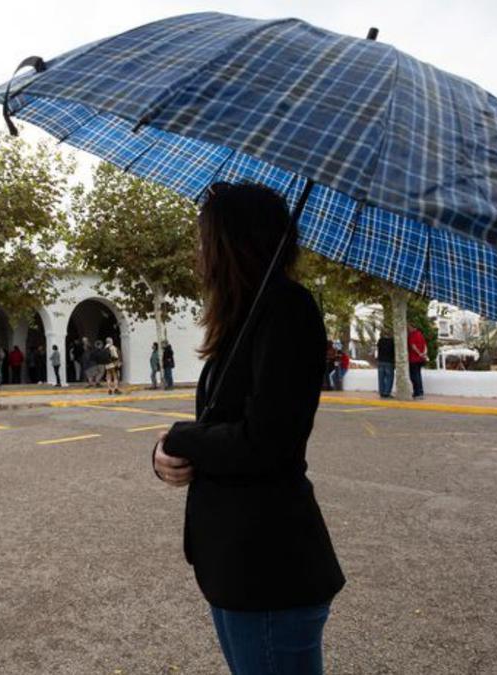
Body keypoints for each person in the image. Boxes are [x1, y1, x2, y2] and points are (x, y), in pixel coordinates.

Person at [151, 182, 344, 673]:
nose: (197, 252)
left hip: (269, 569)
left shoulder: (287, 310)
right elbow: (221, 425)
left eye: (203, 239)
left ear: (231, 242)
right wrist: (167, 456)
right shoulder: (245, 317)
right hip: (236, 563)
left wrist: (180, 437)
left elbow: (267, 443)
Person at [408, 323, 427, 399]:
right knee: (418, 375)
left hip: (413, 359)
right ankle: (421, 392)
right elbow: (425, 346)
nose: (408, 328)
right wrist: (423, 354)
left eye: (409, 327)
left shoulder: (412, 335)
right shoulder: (420, 334)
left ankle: (417, 392)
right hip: (420, 359)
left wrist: (419, 353)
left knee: (414, 376)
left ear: (413, 327)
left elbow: (413, 346)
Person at [376, 332, 395, 398]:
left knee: (381, 378)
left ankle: (381, 392)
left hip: (380, 361)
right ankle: (387, 393)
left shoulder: (380, 341)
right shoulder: (392, 341)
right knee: (389, 378)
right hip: (389, 362)